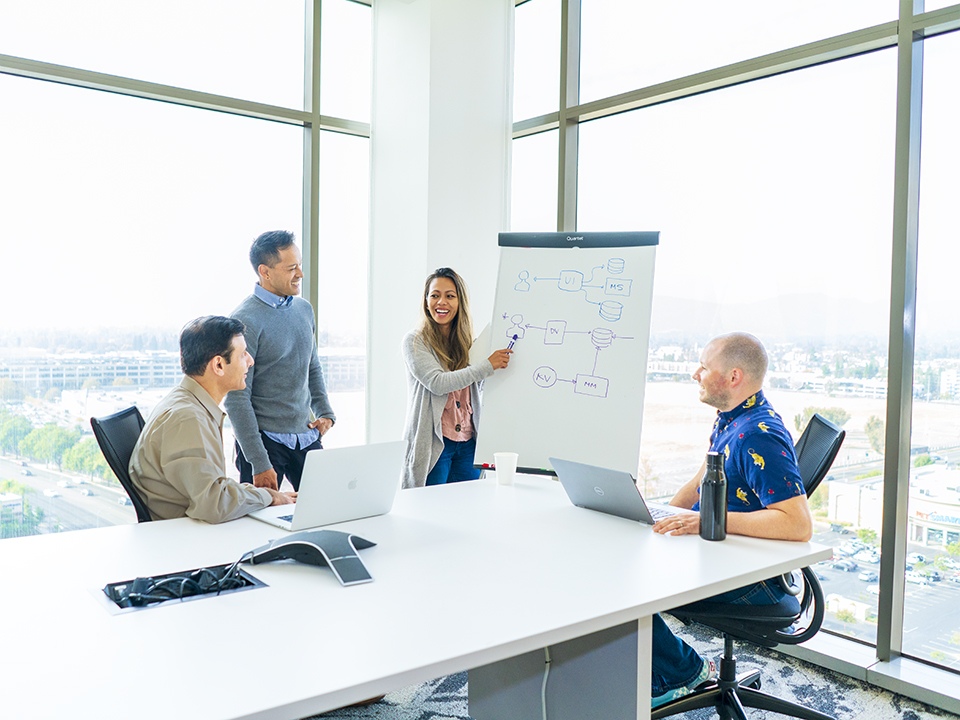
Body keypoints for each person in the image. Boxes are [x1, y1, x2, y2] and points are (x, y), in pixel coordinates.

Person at [648, 332, 813, 708]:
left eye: (705, 368)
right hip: (722, 554)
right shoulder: (732, 417)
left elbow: (797, 524)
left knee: (629, 583)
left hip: (755, 582)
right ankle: (666, 667)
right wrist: (658, 518)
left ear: (734, 377)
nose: (696, 374)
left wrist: (709, 518)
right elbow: (703, 477)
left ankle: (684, 673)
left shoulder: (759, 434)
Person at [129, 316, 296, 523]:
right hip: (190, 540)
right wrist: (269, 497)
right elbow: (215, 504)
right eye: (243, 354)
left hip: (193, 531)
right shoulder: (187, 419)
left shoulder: (189, 406)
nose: (251, 361)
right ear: (218, 365)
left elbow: (213, 489)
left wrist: (266, 496)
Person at [224, 230, 336, 493]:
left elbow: (312, 366)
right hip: (265, 444)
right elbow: (236, 398)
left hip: (306, 436)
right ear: (265, 271)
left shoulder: (304, 310)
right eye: (291, 268)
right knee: (257, 525)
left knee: (326, 506)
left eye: (300, 265)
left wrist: (325, 413)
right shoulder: (244, 320)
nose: (300, 274)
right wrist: (258, 462)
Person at [401, 267, 513, 488]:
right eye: (435, 295)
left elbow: (475, 388)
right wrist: (486, 366)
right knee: (429, 513)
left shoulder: (468, 342)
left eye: (450, 296)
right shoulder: (415, 341)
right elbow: (437, 383)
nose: (441, 302)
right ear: (426, 301)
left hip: (468, 444)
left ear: (460, 302)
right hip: (436, 444)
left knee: (465, 512)